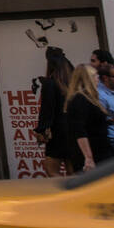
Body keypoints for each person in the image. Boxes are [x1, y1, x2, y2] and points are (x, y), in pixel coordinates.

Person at [66, 64, 114, 173]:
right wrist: (88, 158)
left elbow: (90, 123)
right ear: (88, 79)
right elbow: (79, 131)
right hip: (93, 154)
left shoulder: (90, 98)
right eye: (95, 76)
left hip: (101, 151)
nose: (98, 79)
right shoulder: (80, 100)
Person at [34, 48, 74, 177]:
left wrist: (41, 129)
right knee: (73, 170)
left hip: (58, 131)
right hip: (73, 130)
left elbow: (47, 109)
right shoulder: (72, 83)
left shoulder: (50, 84)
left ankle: (64, 195)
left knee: (52, 170)